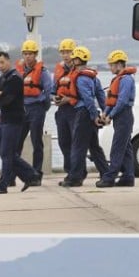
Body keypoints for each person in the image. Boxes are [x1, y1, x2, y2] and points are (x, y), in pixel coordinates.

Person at [0, 50, 39, 194]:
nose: (0, 66)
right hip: (4, 119)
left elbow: (7, 99)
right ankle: (30, 175)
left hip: (14, 120)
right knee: (3, 152)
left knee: (7, 152)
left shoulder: (15, 78)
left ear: (8, 61)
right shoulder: (2, 78)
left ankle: (2, 185)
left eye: (2, 62)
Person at [59, 46, 104, 187]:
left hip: (83, 113)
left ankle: (75, 178)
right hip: (90, 113)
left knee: (78, 147)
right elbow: (101, 95)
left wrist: (93, 115)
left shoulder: (80, 78)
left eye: (73, 59)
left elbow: (88, 99)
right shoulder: (92, 76)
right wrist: (104, 112)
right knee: (94, 146)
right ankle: (107, 174)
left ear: (77, 60)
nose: (71, 61)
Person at [96, 50, 137, 188]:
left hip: (124, 115)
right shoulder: (119, 79)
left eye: (112, 65)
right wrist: (105, 113)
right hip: (120, 115)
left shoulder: (126, 79)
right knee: (126, 148)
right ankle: (128, 177)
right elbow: (111, 101)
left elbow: (122, 101)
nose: (110, 67)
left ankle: (109, 178)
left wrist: (110, 116)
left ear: (119, 64)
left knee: (117, 148)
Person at [15, 39, 53, 184]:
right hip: (21, 109)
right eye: (25, 53)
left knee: (36, 141)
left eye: (30, 53)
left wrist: (44, 106)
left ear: (35, 54)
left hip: (37, 108)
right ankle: (13, 174)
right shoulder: (17, 72)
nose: (28, 56)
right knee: (16, 142)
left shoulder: (42, 72)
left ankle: (36, 174)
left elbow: (48, 90)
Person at [52, 38, 77, 175]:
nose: (65, 55)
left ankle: (77, 171)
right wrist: (54, 97)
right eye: (63, 52)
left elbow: (84, 93)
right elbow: (52, 89)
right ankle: (69, 171)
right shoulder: (59, 70)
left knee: (76, 143)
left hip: (75, 109)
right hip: (61, 110)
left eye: (68, 52)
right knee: (63, 142)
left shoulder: (80, 69)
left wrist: (69, 99)